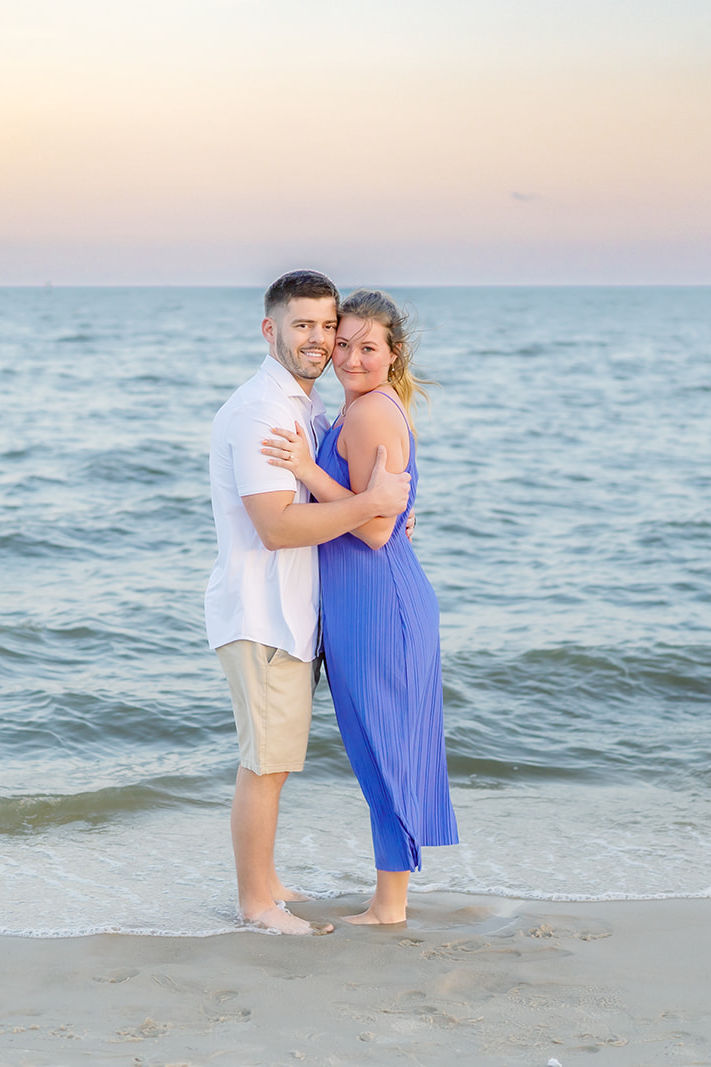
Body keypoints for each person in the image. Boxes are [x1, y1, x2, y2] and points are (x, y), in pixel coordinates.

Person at [206, 270, 412, 936]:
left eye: (328, 326)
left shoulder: (306, 405)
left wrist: (387, 511)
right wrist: (369, 507)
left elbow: (346, 490)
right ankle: (255, 904)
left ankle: (268, 882)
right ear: (271, 330)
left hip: (294, 613)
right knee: (264, 763)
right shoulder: (261, 411)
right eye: (303, 326)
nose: (320, 341)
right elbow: (277, 526)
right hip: (262, 611)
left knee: (279, 756)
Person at [261, 289, 458, 925]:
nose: (348, 357)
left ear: (393, 354)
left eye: (366, 347)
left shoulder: (372, 412)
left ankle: (390, 908)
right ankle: (388, 901)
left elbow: (375, 530)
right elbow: (376, 511)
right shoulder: (364, 410)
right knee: (379, 745)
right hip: (362, 601)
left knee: (385, 745)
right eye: (341, 343)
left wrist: (304, 471)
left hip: (378, 601)